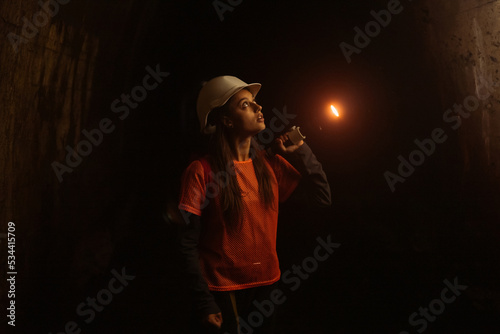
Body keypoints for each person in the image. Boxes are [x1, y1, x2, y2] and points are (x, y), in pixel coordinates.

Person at [177, 75, 331, 333]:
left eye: (255, 103)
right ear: (226, 120)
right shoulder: (201, 171)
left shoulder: (268, 166)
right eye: (245, 104)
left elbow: (322, 198)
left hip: (267, 287)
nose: (259, 108)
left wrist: (302, 150)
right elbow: (186, 243)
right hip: (223, 290)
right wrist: (204, 302)